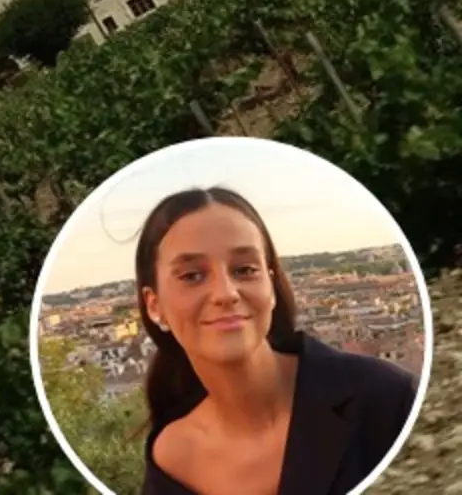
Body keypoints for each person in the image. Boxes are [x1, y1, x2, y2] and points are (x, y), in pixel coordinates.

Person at [134, 187, 417, 495]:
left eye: (244, 270)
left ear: (270, 286)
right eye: (191, 276)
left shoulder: (383, 398)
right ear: (154, 306)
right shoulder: (169, 461)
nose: (226, 293)